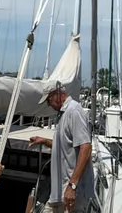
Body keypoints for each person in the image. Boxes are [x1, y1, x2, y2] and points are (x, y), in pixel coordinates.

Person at [29, 83, 95, 213]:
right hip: (59, 191)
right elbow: (65, 146)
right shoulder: (62, 114)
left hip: (71, 191)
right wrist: (44, 141)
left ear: (57, 95)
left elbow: (86, 148)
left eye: (48, 100)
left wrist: (72, 186)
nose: (48, 104)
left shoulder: (74, 111)